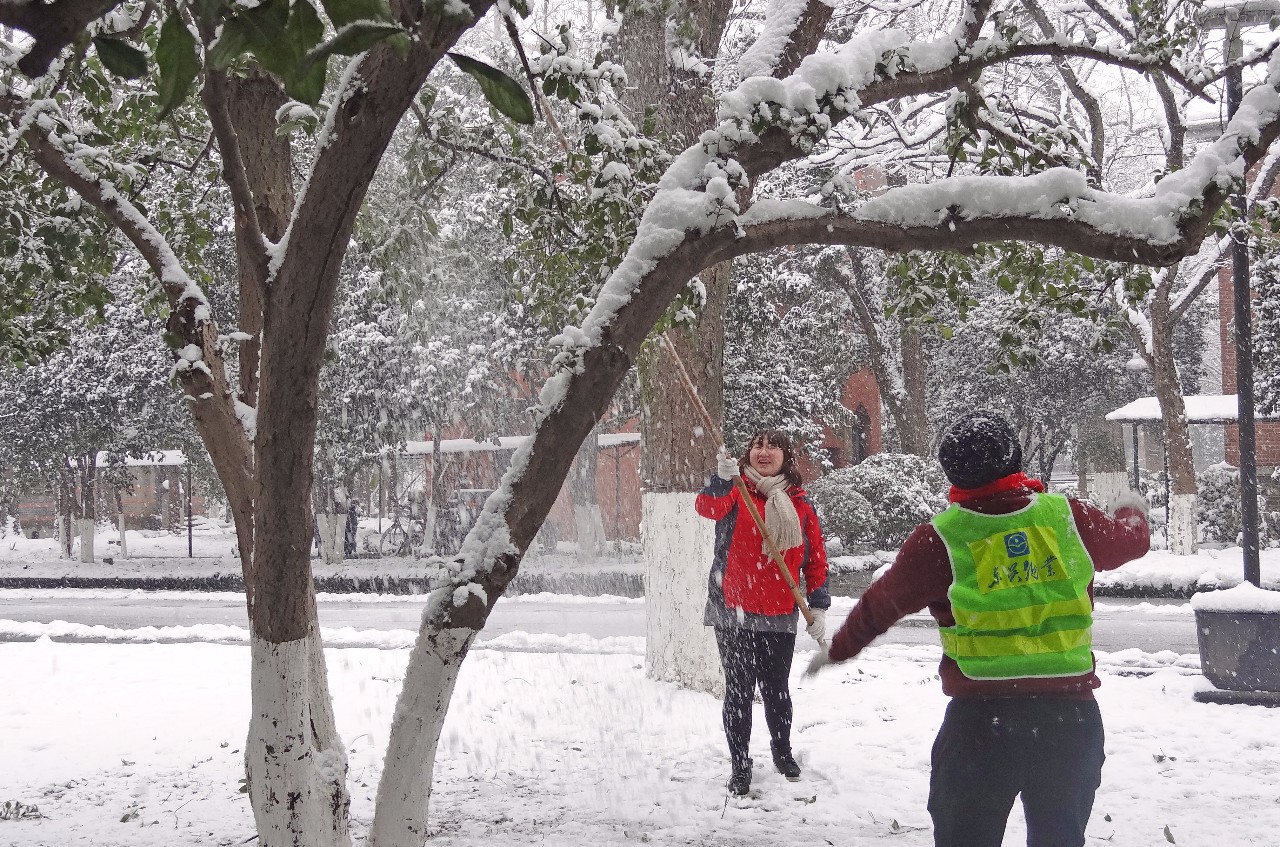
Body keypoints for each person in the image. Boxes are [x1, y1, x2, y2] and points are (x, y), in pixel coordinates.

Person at [806, 409, 1150, 847]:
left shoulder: (941, 539)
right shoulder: (1067, 519)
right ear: (1015, 458)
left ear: (953, 471)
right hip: (1068, 722)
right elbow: (1131, 540)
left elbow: (879, 605)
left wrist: (838, 649)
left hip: (979, 728)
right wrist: (1130, 510)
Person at [697, 428, 831, 796]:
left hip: (779, 611)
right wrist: (721, 480)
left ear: (787, 456)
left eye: (773, 446)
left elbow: (816, 558)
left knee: (776, 690)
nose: (764, 451)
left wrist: (818, 605)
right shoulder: (735, 490)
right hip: (732, 607)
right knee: (738, 691)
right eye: (757, 444)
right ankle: (740, 764)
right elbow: (706, 507)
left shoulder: (800, 503)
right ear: (748, 453)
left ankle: (782, 751)